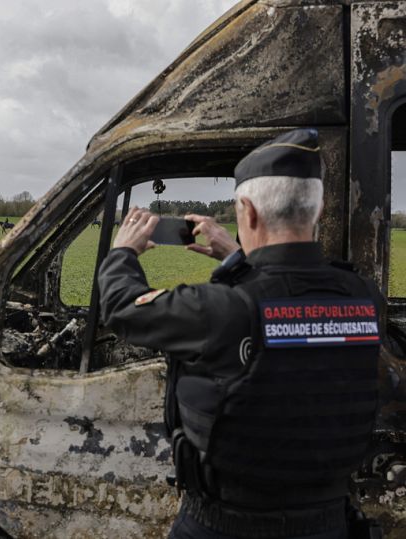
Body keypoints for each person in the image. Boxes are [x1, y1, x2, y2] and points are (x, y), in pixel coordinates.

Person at [98, 129, 382, 539]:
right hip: (329, 523)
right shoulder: (362, 297)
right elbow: (288, 302)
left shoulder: (222, 307)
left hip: (223, 525)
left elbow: (122, 307)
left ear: (247, 211)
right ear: (317, 211)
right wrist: (238, 255)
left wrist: (123, 251)